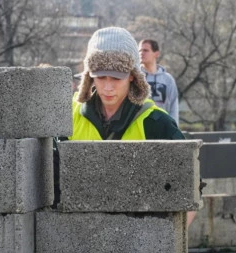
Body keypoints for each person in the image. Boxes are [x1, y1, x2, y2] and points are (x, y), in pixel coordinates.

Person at [56, 26, 196, 226]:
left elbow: (190, 189)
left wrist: (169, 242)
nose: (107, 87)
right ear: (89, 76)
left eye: (116, 77)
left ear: (132, 76)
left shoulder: (156, 123)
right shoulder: (67, 115)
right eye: (101, 76)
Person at [138, 39, 180, 124]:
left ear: (156, 54)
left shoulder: (168, 79)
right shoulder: (135, 77)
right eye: (140, 50)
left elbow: (173, 106)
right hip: (141, 126)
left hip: (163, 126)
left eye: (145, 50)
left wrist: (174, 128)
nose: (141, 53)